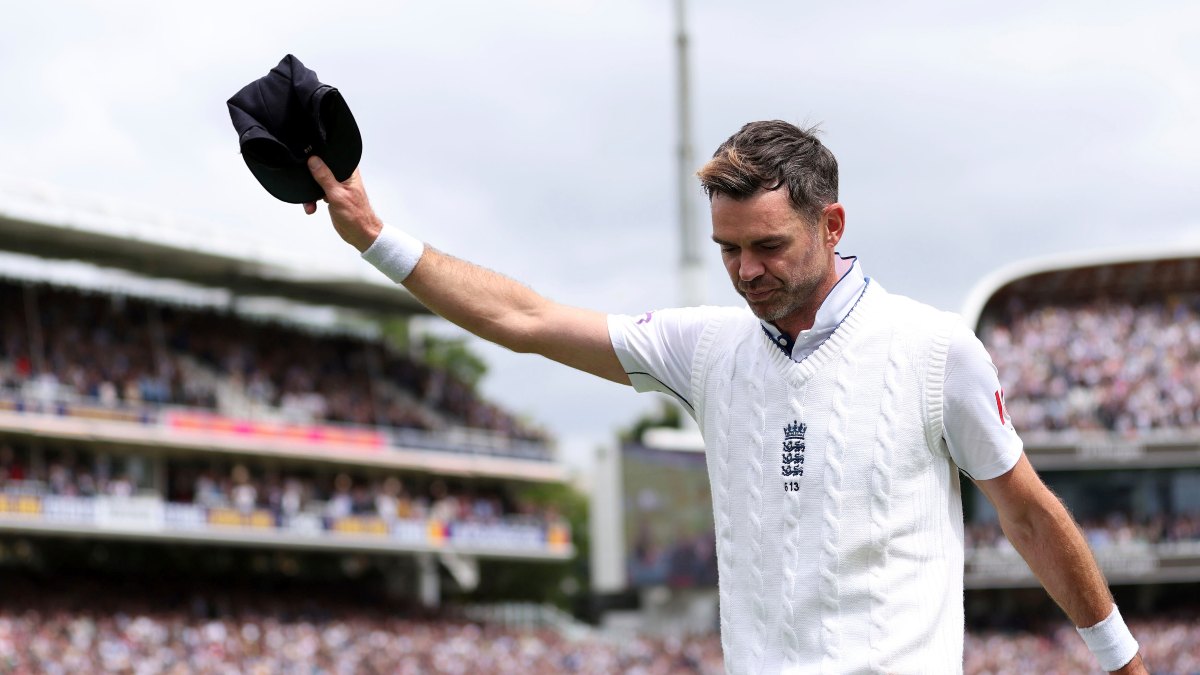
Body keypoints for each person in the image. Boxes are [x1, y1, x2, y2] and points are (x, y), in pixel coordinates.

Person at [301, 120, 1145, 674]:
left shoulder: (937, 349)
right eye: (728, 249)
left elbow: (1027, 512)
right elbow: (524, 317)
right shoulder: (702, 347)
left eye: (768, 246)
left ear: (833, 223)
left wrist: (1122, 659)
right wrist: (378, 239)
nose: (746, 272)